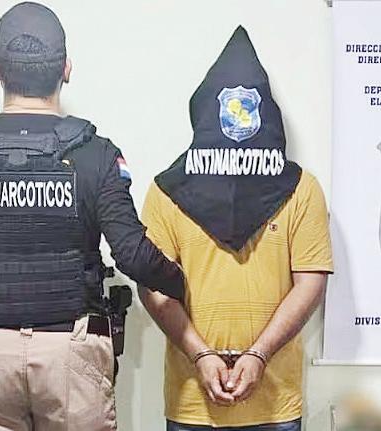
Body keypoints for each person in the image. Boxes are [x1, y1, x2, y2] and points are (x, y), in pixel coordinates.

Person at [0, 3, 184, 430]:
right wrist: (183, 284)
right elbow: (132, 253)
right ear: (66, 69)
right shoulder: (96, 155)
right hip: (72, 350)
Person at [138, 26, 334, 431]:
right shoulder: (166, 192)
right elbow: (153, 284)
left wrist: (259, 353)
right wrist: (201, 354)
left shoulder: (301, 189)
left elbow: (311, 281)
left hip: (275, 404)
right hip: (192, 403)